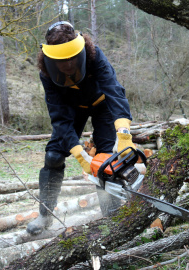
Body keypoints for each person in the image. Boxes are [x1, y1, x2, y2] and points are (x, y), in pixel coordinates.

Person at [26, 21, 135, 235]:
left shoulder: (95, 56)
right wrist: (78, 153)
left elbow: (114, 90)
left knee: (105, 159)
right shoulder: (46, 74)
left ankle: (111, 218)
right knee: (53, 156)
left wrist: (123, 131)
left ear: (81, 51)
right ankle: (45, 215)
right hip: (70, 110)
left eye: (71, 58)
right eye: (60, 61)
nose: (67, 65)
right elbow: (58, 116)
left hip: (101, 103)